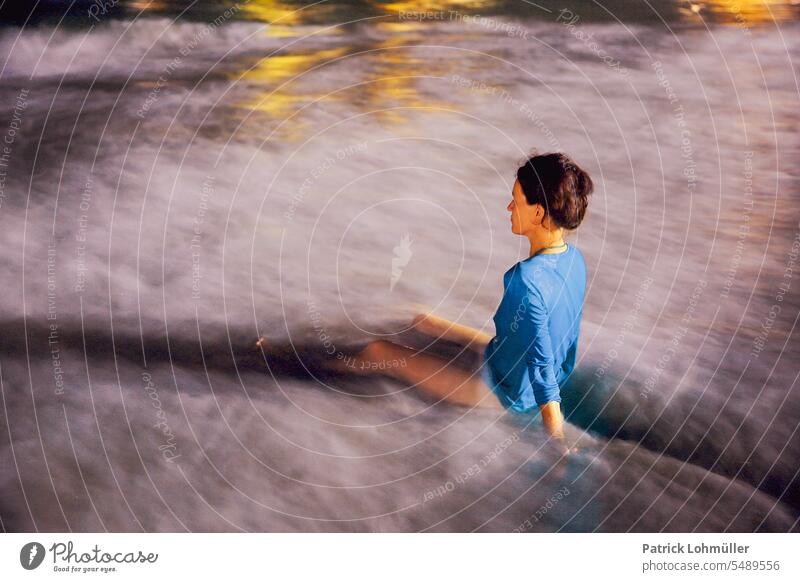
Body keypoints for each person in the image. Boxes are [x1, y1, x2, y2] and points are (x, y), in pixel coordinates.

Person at [261, 152, 592, 440]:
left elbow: (541, 363)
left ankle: (281, 363)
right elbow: (550, 342)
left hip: (501, 394)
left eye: (516, 200)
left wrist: (557, 441)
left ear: (538, 213)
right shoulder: (573, 262)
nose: (508, 207)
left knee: (380, 351)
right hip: (510, 371)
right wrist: (448, 330)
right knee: (423, 322)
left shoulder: (526, 278)